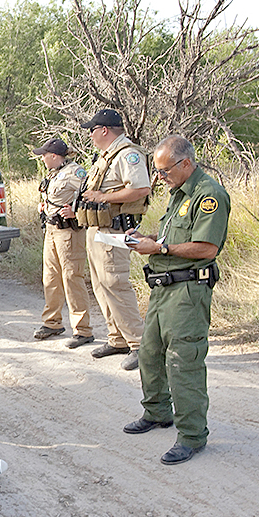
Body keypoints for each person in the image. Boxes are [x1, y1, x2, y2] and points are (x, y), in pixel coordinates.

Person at [124, 135, 230, 465]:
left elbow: (206, 247)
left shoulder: (209, 195)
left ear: (185, 163)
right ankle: (157, 412)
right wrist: (147, 240)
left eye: (164, 170)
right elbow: (171, 237)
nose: (160, 177)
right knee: (150, 353)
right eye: (157, 171)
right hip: (162, 288)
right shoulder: (178, 193)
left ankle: (192, 436)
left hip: (187, 292)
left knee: (183, 362)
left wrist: (159, 248)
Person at [77, 109, 151, 371]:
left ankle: (140, 344)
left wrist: (103, 197)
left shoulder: (128, 154)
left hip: (114, 230)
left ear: (104, 130)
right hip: (97, 228)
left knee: (115, 283)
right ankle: (117, 339)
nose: (91, 135)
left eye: (92, 130)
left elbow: (141, 188)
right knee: (100, 285)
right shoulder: (106, 156)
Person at [31, 138, 94, 348]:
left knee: (72, 278)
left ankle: (83, 329)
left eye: (44, 155)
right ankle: (52, 322)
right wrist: (44, 207)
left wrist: (76, 213)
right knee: (50, 278)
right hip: (51, 230)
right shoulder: (54, 173)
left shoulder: (76, 172)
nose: (42, 158)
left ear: (54, 156)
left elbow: (92, 195)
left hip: (69, 232)